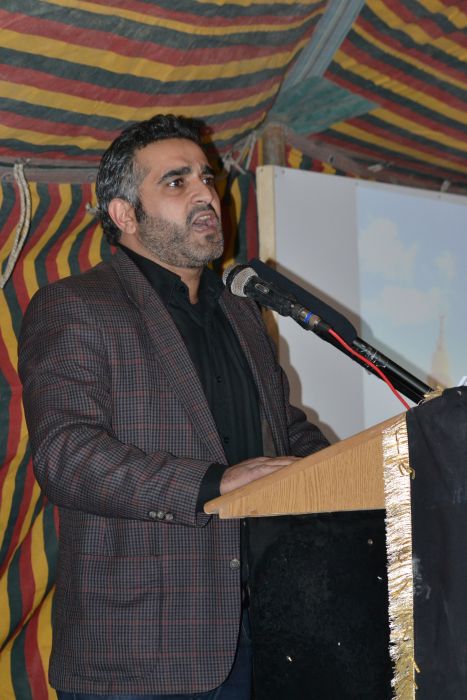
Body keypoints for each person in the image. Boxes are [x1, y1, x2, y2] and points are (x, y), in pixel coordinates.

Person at [18, 114, 329, 700]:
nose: (206, 194)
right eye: (176, 181)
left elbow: (281, 428)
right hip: (141, 652)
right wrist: (212, 483)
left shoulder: (241, 310)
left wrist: (347, 474)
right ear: (124, 214)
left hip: (259, 634)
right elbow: (67, 455)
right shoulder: (77, 305)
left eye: (207, 178)